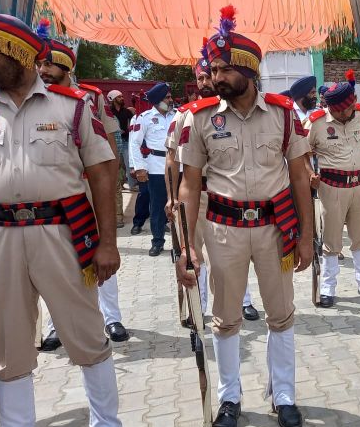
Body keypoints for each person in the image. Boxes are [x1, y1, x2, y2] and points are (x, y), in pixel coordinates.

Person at [175, 5, 312, 427]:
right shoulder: (199, 118)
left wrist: (307, 237)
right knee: (226, 317)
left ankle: (283, 395)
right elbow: (189, 186)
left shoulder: (284, 113)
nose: (214, 77)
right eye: (212, 69)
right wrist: (187, 245)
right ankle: (229, 399)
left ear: (247, 69)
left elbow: (299, 180)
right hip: (224, 231)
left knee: (281, 314)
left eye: (222, 69)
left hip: (275, 229)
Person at [0, 13, 124, 427]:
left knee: (86, 336)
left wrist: (107, 243)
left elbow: (103, 172)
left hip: (61, 234)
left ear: (19, 53)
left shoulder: (72, 107)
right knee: (10, 349)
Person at [34, 19, 130, 347]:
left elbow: (110, 144)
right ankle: (55, 324)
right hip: (52, 193)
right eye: (39, 63)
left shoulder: (89, 97)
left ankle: (112, 317)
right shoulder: (28, 99)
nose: (43, 70)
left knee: (101, 249)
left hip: (88, 187)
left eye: (49, 63)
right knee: (52, 260)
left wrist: (112, 184)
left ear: (65, 66)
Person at [164, 46, 260, 321]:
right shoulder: (185, 114)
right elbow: (171, 160)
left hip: (226, 196)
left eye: (210, 76)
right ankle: (196, 308)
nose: (206, 82)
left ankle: (243, 301)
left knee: (234, 254)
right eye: (202, 78)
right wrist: (171, 197)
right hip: (193, 194)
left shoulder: (238, 111)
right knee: (192, 253)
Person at [306, 73, 360, 308]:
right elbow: (302, 153)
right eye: (336, 112)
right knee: (332, 241)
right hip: (332, 188)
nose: (341, 115)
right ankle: (328, 289)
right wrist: (309, 174)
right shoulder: (316, 122)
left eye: (345, 111)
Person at [129, 82, 175, 256]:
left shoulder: (178, 115)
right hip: (156, 166)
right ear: (157, 101)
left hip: (177, 165)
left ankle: (181, 242)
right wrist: (139, 168)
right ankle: (157, 241)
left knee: (179, 205)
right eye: (167, 98)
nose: (171, 100)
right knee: (157, 206)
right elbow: (134, 143)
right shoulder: (145, 118)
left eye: (170, 97)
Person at [108, 89, 138, 189]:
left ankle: (132, 185)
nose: (122, 98)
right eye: (119, 97)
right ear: (113, 99)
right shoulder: (108, 112)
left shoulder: (127, 111)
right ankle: (118, 186)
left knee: (129, 163)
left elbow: (134, 122)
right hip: (113, 142)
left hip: (125, 141)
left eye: (122, 96)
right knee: (115, 165)